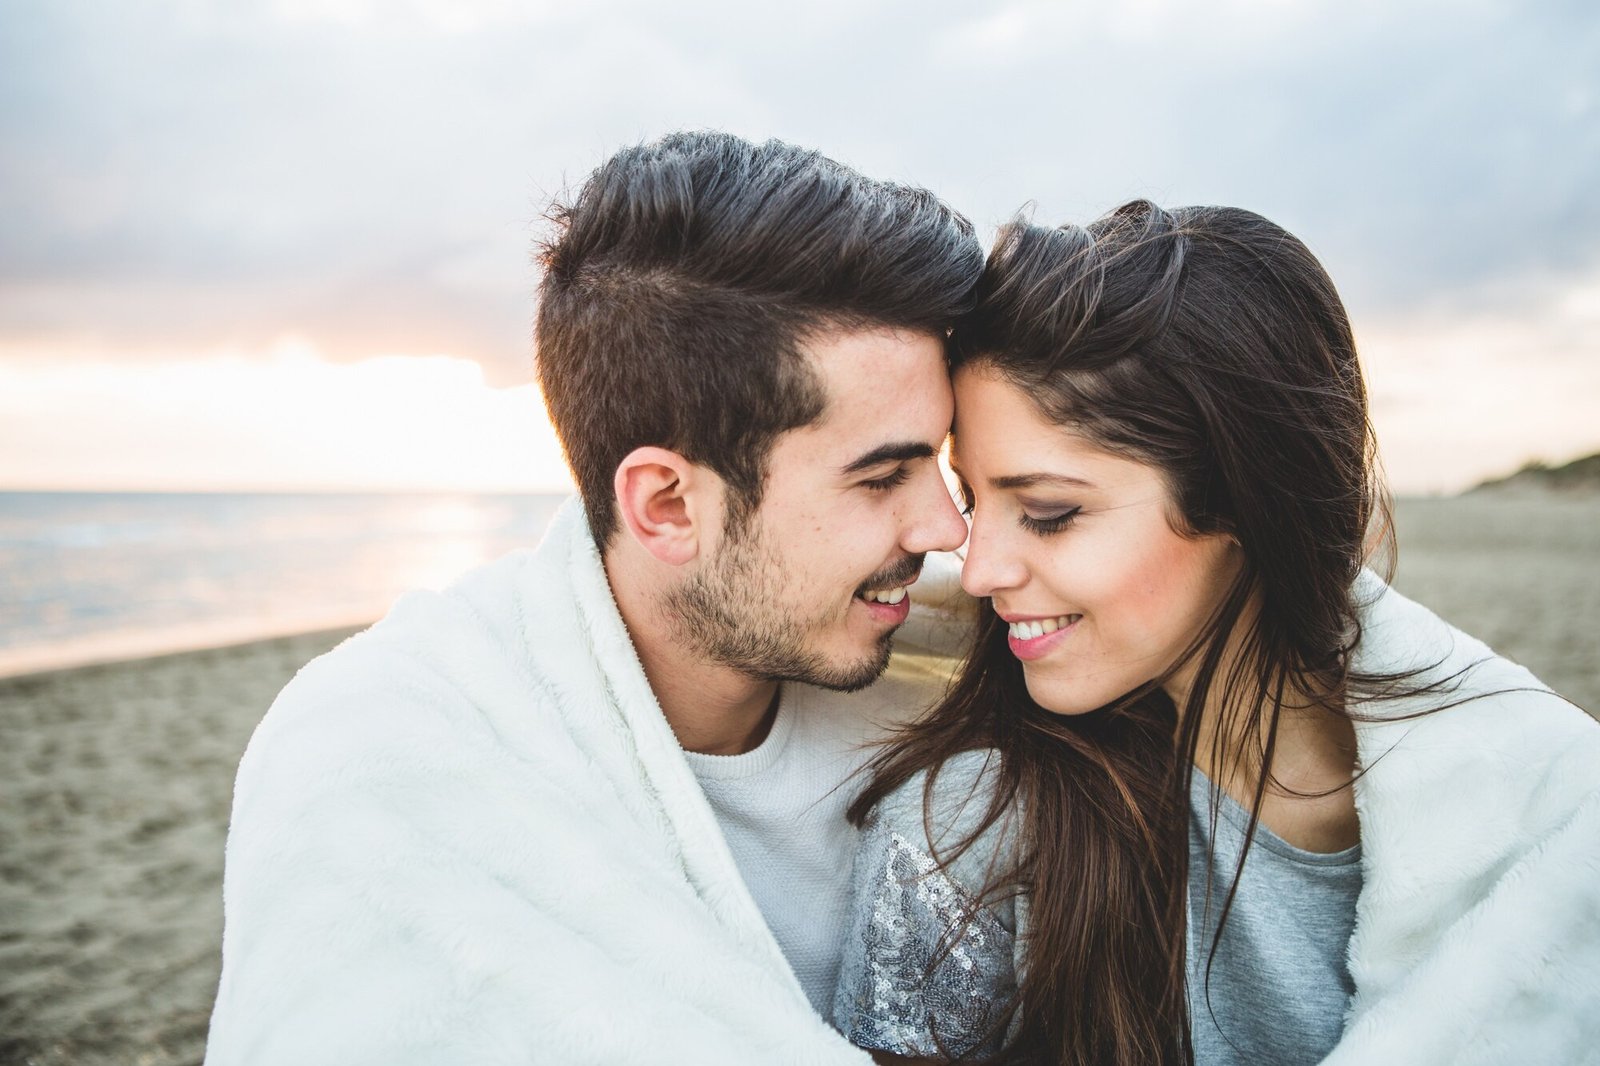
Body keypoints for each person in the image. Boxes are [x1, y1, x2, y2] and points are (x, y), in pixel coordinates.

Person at [204, 131, 984, 1065]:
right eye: (882, 477)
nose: (947, 529)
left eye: (940, 466)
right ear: (666, 506)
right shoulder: (382, 753)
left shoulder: (967, 677)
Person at [832, 201, 1600, 1065]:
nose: (977, 572)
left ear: (1243, 500)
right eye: (976, 502)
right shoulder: (968, 824)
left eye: (1048, 512)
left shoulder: (1547, 818)